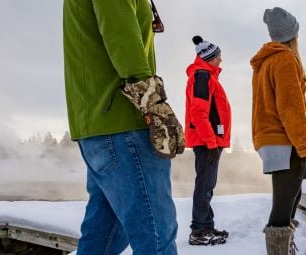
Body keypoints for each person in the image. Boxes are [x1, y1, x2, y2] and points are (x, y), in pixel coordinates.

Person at [63, 0, 182, 254]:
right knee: (156, 237)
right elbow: (122, 38)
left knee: (104, 237)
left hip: (101, 127)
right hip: (123, 125)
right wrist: (155, 105)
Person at [250, 7, 306, 255]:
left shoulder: (265, 62)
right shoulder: (285, 59)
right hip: (284, 139)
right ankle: (281, 249)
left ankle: (285, 248)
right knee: (283, 206)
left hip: (271, 138)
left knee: (289, 199)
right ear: (292, 34)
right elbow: (290, 109)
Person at [184, 35, 233, 246]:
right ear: (211, 57)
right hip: (207, 142)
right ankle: (199, 232)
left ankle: (206, 226)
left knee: (207, 185)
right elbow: (198, 112)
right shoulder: (203, 76)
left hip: (210, 140)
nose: (221, 59)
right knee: (204, 185)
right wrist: (211, 141)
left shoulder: (207, 76)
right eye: (219, 55)